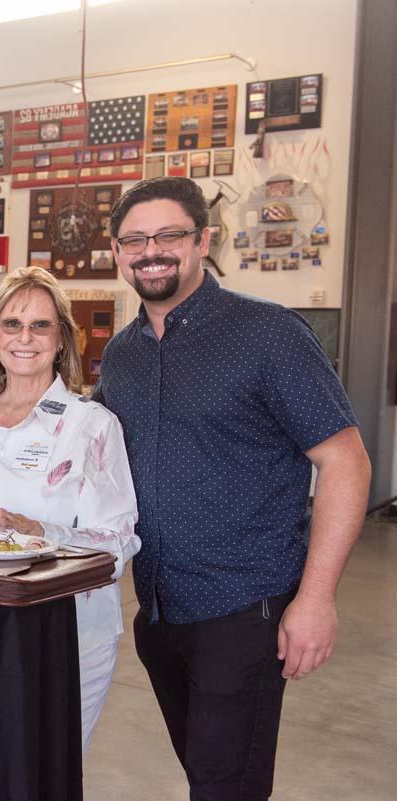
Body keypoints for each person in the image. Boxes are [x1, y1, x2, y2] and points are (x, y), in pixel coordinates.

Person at [95, 176, 370, 800]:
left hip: (244, 608)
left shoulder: (268, 334)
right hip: (160, 612)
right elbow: (87, 448)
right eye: (134, 240)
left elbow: (346, 463)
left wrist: (318, 599)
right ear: (116, 252)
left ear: (203, 240)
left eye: (168, 235)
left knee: (227, 788)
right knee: (208, 776)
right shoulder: (121, 354)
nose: (151, 251)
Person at [0, 266, 140, 752]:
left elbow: (119, 541)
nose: (25, 338)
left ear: (62, 337)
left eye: (40, 325)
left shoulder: (93, 427)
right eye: (12, 324)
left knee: (38, 771)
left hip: (60, 634)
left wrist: (38, 530)